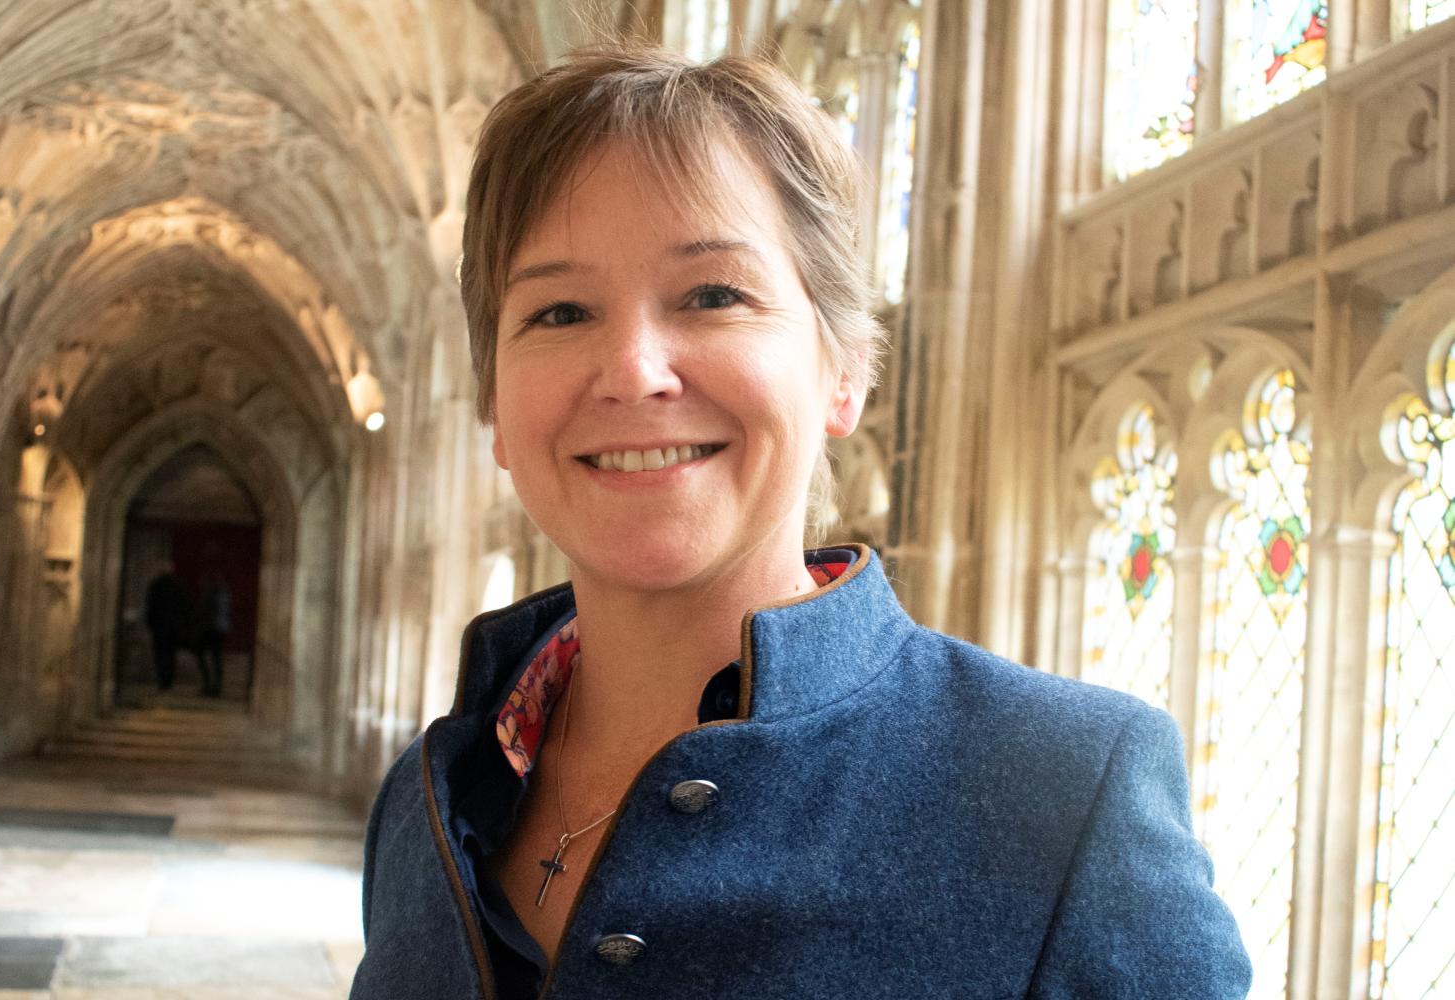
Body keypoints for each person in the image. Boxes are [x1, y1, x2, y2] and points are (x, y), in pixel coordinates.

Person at [351, 46, 1251, 1000]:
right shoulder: (427, 800)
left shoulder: (1069, 797)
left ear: (844, 370)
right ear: (494, 405)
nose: (633, 369)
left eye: (713, 295)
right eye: (560, 311)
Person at [143, 559, 190, 691]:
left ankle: (163, 680)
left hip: (160, 627)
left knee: (161, 654)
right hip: (172, 627)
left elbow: (151, 606)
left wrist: (150, 623)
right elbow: (183, 607)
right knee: (170, 654)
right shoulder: (177, 586)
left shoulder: (156, 585)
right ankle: (168, 680)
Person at [195, 571, 231, 697]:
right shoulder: (223, 592)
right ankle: (215, 685)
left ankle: (210, 685)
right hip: (218, 628)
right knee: (215, 657)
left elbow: (206, 611)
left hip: (211, 629)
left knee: (206, 655)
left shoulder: (214, 592)